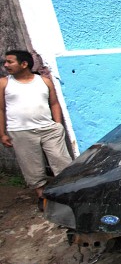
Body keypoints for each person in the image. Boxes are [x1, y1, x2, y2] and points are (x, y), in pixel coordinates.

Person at [0, 50, 72, 211]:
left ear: (24, 64)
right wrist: (2, 133)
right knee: (32, 167)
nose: (6, 65)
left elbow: (54, 103)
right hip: (20, 131)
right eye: (5, 62)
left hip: (48, 129)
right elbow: (1, 109)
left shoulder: (44, 81)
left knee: (61, 161)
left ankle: (67, 194)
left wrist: (58, 124)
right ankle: (42, 197)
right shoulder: (4, 83)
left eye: (10, 62)